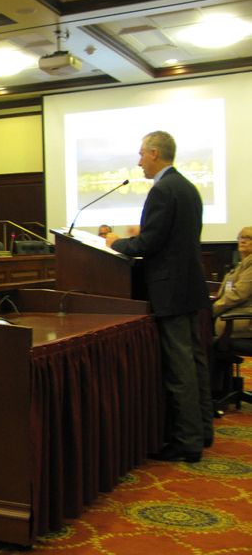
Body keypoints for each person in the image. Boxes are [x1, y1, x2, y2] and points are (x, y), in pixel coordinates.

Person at [105, 131, 212, 462]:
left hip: (171, 290)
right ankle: (203, 431)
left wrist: (114, 244)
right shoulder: (187, 187)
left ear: (154, 153)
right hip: (190, 287)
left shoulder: (163, 190)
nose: (138, 162)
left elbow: (149, 245)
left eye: (141, 155)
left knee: (180, 368)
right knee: (195, 363)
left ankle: (187, 442)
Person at [212, 226, 252, 338]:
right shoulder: (240, 265)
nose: (243, 241)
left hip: (245, 318)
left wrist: (213, 309)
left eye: (248, 238)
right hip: (232, 314)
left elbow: (239, 294)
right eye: (241, 237)